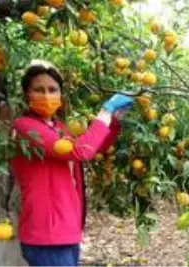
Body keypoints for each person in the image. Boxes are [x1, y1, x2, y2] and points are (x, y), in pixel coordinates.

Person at [9, 59, 133, 267]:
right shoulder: (25, 128)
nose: (47, 95)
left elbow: (92, 149)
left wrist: (114, 122)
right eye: (39, 90)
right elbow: (81, 151)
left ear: (60, 95)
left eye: (52, 89)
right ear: (26, 95)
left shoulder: (59, 128)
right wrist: (105, 112)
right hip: (46, 235)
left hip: (67, 230)